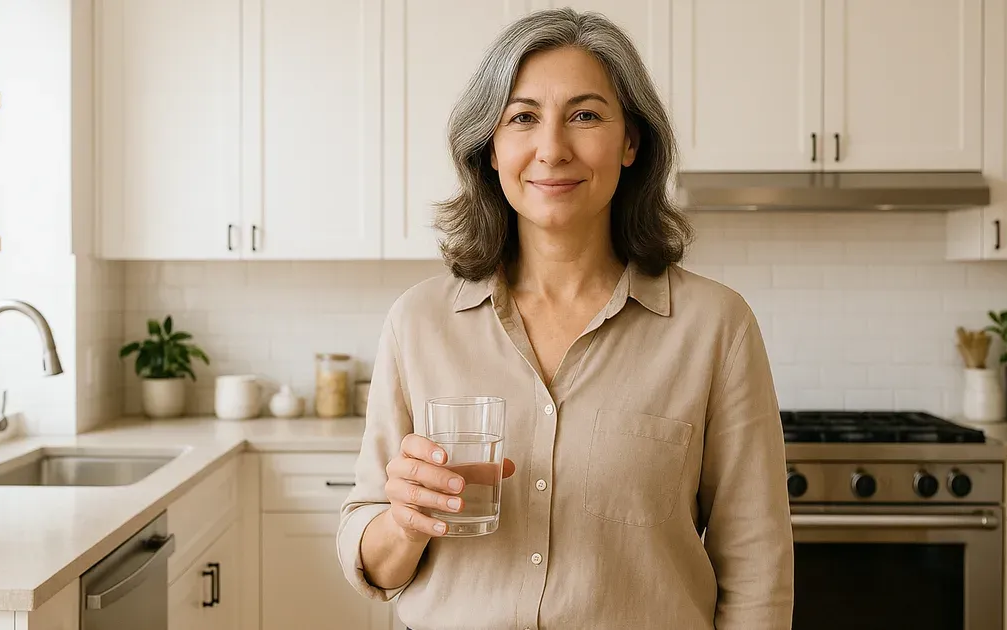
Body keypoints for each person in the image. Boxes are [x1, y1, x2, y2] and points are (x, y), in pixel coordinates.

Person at [337, 8, 793, 629]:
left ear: (631, 141)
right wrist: (403, 521)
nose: (551, 149)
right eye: (522, 118)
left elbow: (757, 571)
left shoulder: (716, 328)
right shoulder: (418, 323)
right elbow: (371, 556)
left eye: (585, 115)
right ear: (491, 148)